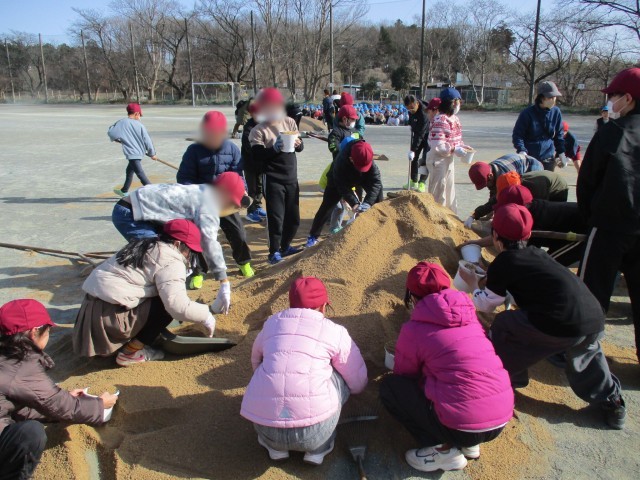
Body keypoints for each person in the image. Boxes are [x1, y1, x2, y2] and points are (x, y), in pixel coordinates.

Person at [462, 204, 626, 429]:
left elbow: (486, 305)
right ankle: (612, 402)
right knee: (587, 357)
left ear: (495, 236)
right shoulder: (538, 255)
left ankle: (507, 378)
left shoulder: (505, 261)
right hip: (593, 317)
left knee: (503, 325)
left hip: (558, 324)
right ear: (529, 234)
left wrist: (473, 286)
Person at [380, 262, 513, 473]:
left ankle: (442, 450)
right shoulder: (470, 317)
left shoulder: (415, 328)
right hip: (500, 418)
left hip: (463, 422)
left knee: (391, 387)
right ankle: (469, 444)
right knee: (454, 376)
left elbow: (405, 374)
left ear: (412, 296)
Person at [241, 277, 367, 465]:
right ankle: (317, 450)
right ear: (323, 306)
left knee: (268, 369)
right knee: (339, 375)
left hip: (266, 427)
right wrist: (356, 389)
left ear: (291, 303)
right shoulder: (335, 331)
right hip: (314, 433)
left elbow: (255, 360)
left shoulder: (271, 323)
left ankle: (276, 449)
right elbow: (356, 377)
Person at [0, 299, 118, 479]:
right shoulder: (20, 365)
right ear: (34, 332)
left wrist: (59, 404)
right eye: (48, 330)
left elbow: (18, 406)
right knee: (31, 433)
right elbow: (60, 406)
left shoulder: (6, 356)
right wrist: (99, 405)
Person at [74, 219, 217, 366]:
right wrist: (206, 315)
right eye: (189, 251)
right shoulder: (171, 260)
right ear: (177, 244)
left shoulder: (144, 244)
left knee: (161, 293)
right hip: (111, 320)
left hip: (90, 315)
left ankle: (117, 342)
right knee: (165, 305)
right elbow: (177, 306)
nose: (189, 256)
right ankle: (130, 352)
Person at [111, 171, 247, 314]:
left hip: (140, 209)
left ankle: (166, 301)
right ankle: (159, 308)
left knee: (166, 254)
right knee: (158, 259)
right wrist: (224, 281)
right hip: (130, 215)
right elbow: (209, 242)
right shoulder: (208, 206)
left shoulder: (204, 189)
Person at [577, 67, 640, 363]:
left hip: (609, 226)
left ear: (628, 98)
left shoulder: (611, 133)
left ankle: (582, 352)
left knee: (592, 291)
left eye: (613, 95)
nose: (610, 101)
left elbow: (587, 181)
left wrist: (591, 217)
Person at [177, 111, 254, 279]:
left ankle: (244, 262)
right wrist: (202, 191)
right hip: (201, 202)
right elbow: (184, 179)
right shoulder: (193, 151)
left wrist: (241, 190)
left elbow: (238, 175)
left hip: (225, 201)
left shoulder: (232, 149)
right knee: (197, 237)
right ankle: (198, 272)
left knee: (238, 233)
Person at [460, 185, 588, 267]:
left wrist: (492, 270)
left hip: (582, 234)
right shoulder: (526, 211)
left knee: (548, 265)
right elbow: (503, 234)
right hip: (566, 230)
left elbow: (520, 254)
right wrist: (476, 243)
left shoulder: (534, 221)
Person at [249, 87, 304, 265]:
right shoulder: (258, 130)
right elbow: (257, 155)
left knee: (294, 219)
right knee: (276, 218)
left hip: (291, 177)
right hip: (273, 179)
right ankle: (274, 252)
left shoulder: (290, 122)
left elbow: (300, 147)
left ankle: (285, 246)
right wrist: (274, 148)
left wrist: (298, 144)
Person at [306, 140, 383, 247]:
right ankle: (313, 236)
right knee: (326, 207)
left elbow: (376, 182)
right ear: (351, 159)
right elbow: (342, 186)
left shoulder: (368, 159)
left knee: (378, 196)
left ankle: (380, 228)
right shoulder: (340, 162)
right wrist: (354, 203)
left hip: (363, 178)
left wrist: (368, 202)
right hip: (337, 181)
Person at [463, 153, 544, 225]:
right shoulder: (488, 170)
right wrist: (482, 215)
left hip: (532, 167)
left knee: (523, 200)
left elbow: (497, 199)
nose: (486, 186)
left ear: (490, 176)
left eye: (486, 184)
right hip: (517, 163)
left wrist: (476, 214)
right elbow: (494, 193)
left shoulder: (505, 178)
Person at [427, 87, 469, 213]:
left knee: (449, 190)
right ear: (452, 103)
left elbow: (456, 138)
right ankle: (436, 217)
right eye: (457, 102)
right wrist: (455, 149)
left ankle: (450, 216)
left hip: (448, 158)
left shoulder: (455, 119)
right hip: (438, 159)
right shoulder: (440, 120)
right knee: (438, 192)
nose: (459, 105)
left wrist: (462, 146)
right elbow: (438, 145)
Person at [512, 81, 566, 171]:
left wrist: (561, 153)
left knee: (547, 179)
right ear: (541, 98)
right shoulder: (527, 113)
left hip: (548, 159)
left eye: (555, 97)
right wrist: (522, 151)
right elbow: (518, 135)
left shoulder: (556, 112)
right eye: (550, 97)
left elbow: (559, 135)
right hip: (530, 159)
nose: (554, 100)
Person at [109, 103, 157, 197]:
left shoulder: (122, 122)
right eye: (140, 115)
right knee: (130, 171)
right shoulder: (140, 125)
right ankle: (124, 190)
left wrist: (117, 139)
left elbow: (111, 132)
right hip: (138, 153)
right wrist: (152, 153)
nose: (140, 117)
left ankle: (154, 192)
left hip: (132, 153)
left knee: (140, 174)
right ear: (136, 113)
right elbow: (147, 140)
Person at [242, 103, 267, 224]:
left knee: (260, 187)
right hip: (250, 164)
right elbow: (249, 148)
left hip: (260, 164)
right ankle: (250, 212)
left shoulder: (264, 125)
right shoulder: (248, 127)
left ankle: (257, 206)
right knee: (252, 188)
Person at [404, 94, 430, 193]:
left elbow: (421, 133)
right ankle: (413, 181)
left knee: (425, 159)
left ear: (417, 103)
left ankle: (422, 182)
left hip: (428, 136)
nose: (410, 110)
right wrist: (411, 125)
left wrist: (413, 150)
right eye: (408, 108)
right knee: (414, 159)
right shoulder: (411, 110)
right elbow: (412, 121)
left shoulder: (424, 112)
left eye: (412, 108)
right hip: (418, 134)